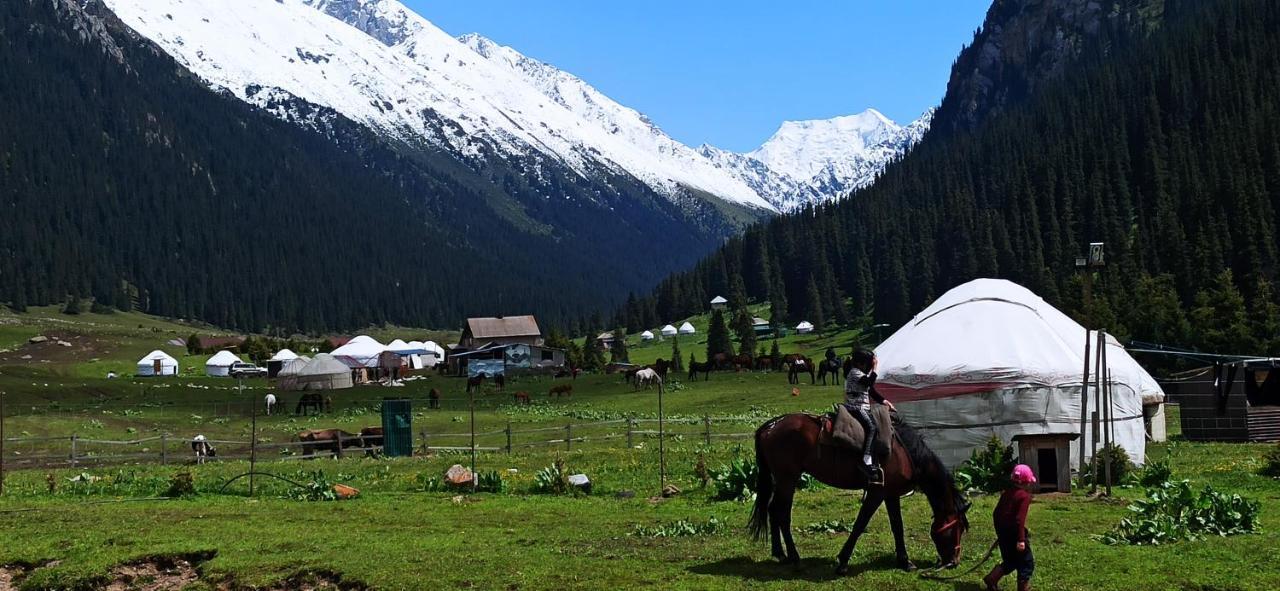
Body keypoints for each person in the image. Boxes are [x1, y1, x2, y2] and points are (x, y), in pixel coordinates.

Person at [843, 349, 895, 485]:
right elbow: (869, 383)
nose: (869, 367)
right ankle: (866, 461)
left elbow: (871, 390)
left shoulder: (859, 373)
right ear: (862, 363)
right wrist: (876, 368)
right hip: (856, 407)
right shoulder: (854, 372)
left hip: (863, 407)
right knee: (872, 427)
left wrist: (884, 401)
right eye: (868, 365)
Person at [984, 464, 1037, 591]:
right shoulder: (1024, 496)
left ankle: (992, 578)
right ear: (1027, 482)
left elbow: (996, 513)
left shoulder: (1006, 493)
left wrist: (1001, 533)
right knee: (1026, 562)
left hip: (1004, 533)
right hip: (1015, 535)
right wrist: (1021, 540)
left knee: (1010, 560)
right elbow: (1020, 520)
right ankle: (1023, 588)